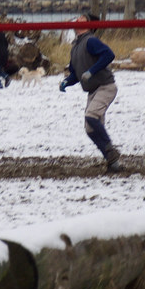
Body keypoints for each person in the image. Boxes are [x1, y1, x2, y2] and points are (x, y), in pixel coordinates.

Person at [59, 13, 123, 173]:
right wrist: (67, 81)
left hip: (106, 86)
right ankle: (113, 163)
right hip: (93, 90)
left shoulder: (90, 40)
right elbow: (76, 73)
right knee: (90, 128)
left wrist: (92, 71)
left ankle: (110, 150)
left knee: (91, 116)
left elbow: (109, 55)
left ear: (88, 25)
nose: (77, 19)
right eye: (77, 17)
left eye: (81, 18)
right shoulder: (75, 46)